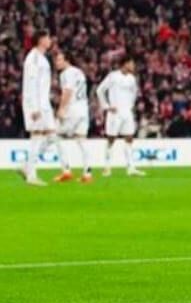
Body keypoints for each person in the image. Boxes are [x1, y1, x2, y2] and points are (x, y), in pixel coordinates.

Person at [20, 30, 62, 186]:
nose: (50, 40)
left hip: (44, 104)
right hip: (36, 105)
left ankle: (26, 166)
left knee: (51, 136)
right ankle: (31, 176)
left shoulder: (42, 58)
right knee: (37, 136)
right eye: (48, 37)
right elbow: (31, 84)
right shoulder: (34, 58)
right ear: (41, 39)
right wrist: (34, 108)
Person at [96, 55, 145, 177]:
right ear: (125, 64)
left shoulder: (132, 79)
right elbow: (100, 90)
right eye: (131, 63)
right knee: (111, 139)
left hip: (127, 113)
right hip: (115, 113)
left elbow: (134, 94)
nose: (133, 66)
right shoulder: (113, 76)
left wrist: (131, 106)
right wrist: (106, 106)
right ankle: (107, 168)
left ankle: (131, 168)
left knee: (129, 138)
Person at [54, 50, 93, 183]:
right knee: (82, 140)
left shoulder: (66, 73)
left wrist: (61, 109)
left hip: (72, 110)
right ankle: (87, 174)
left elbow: (68, 91)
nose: (56, 62)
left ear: (67, 60)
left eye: (59, 59)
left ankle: (66, 170)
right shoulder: (79, 72)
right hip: (83, 109)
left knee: (55, 135)